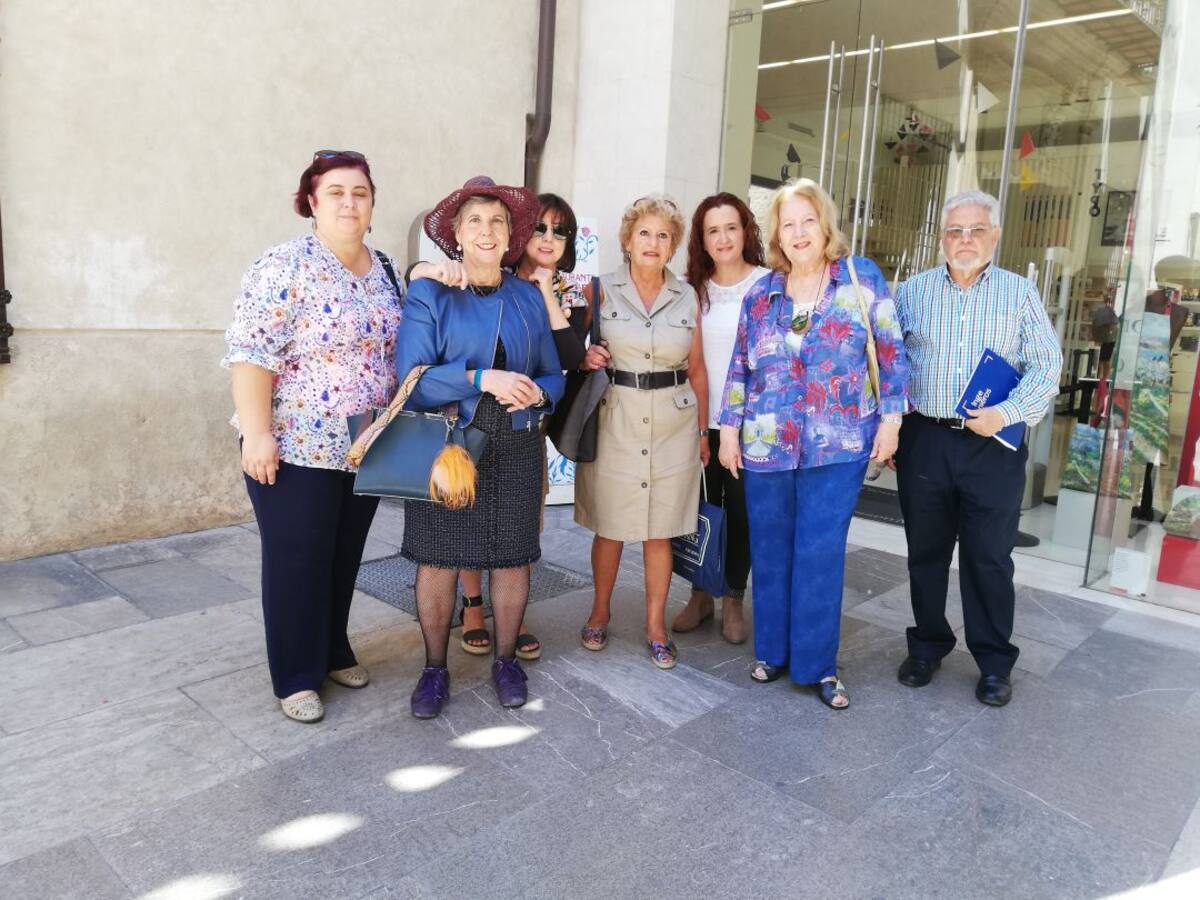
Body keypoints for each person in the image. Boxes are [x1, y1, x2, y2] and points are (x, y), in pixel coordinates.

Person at [223, 151, 403, 723]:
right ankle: (296, 674)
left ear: (372, 204)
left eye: (360, 193)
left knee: (342, 556)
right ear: (311, 203)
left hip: (365, 446)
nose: (350, 203)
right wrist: (257, 435)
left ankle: (332, 650)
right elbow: (251, 354)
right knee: (297, 560)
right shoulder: (283, 265)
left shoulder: (386, 269)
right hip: (295, 444)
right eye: (336, 193)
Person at [717, 178, 908, 709]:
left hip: (838, 445)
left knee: (820, 553)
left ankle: (817, 666)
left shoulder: (860, 278)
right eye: (788, 224)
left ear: (825, 225)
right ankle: (772, 653)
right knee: (770, 550)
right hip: (766, 443)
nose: (799, 232)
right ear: (777, 233)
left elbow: (891, 353)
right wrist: (729, 428)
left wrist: (891, 422)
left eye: (808, 221)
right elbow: (740, 366)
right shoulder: (762, 293)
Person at [397, 176, 566, 719]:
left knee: (513, 557)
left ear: (510, 234)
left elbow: (553, 372)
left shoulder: (527, 296)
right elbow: (412, 380)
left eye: (497, 221)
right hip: (450, 444)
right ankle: (434, 668)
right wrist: (480, 378)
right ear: (457, 234)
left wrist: (540, 392)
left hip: (517, 443)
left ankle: (507, 660)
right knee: (438, 559)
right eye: (475, 220)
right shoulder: (430, 292)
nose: (487, 231)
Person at [893, 189, 1062, 708]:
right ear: (941, 238)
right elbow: (891, 362)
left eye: (976, 230)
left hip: (993, 444)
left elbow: (1047, 366)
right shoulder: (912, 292)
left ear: (995, 236)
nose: (965, 240)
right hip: (926, 438)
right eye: (955, 231)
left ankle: (993, 661)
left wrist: (1006, 414)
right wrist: (890, 426)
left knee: (989, 557)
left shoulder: (1019, 293)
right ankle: (927, 645)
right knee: (925, 552)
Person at [574, 195, 708, 670]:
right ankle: (600, 611)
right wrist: (584, 358)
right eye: (644, 233)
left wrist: (703, 433)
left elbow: (697, 369)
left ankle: (656, 626)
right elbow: (570, 349)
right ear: (627, 241)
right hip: (616, 419)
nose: (653, 242)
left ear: (673, 246)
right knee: (610, 526)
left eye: (663, 235)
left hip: (674, 424)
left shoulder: (687, 296)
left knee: (660, 531)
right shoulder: (598, 291)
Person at [671, 193, 768, 644]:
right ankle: (700, 593)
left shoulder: (769, 285)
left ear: (746, 231)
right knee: (699, 510)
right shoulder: (691, 289)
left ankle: (732, 597)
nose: (724, 238)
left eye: (731, 227)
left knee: (742, 514)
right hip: (697, 421)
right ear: (702, 239)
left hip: (752, 426)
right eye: (713, 230)